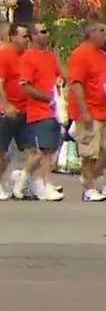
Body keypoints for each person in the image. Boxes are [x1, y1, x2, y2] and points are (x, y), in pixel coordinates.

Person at [16, 22, 63, 201]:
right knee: (43, 151)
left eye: (46, 30)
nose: (46, 34)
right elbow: (26, 86)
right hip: (38, 111)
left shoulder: (50, 57)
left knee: (50, 150)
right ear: (33, 36)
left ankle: (32, 180)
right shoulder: (28, 57)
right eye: (42, 31)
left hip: (54, 111)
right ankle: (42, 184)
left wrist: (59, 84)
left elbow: (59, 75)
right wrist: (47, 98)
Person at [0, 23, 30, 200]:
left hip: (26, 109)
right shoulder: (4, 55)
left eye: (28, 36)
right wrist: (6, 105)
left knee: (30, 150)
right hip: (7, 111)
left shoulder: (27, 56)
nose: (26, 40)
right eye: (23, 36)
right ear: (12, 37)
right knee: (1, 150)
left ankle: (19, 179)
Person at [68, 24, 106, 202]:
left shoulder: (102, 55)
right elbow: (76, 82)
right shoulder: (81, 54)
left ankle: (90, 179)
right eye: (102, 30)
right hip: (89, 110)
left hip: (103, 109)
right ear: (91, 33)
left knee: (103, 151)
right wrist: (84, 109)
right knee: (89, 152)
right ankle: (89, 189)